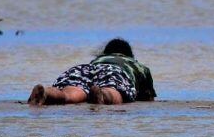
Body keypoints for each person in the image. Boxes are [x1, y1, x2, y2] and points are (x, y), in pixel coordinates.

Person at [28, 38, 156, 106]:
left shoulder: (97, 60)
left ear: (105, 53)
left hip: (83, 69)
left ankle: (47, 93)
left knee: (71, 93)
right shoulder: (136, 65)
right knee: (114, 90)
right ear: (130, 55)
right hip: (115, 72)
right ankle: (103, 95)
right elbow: (147, 98)